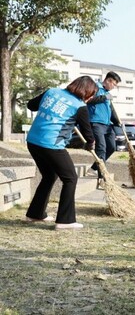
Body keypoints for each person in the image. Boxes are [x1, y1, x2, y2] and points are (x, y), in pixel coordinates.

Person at [25, 76, 97, 230]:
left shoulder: (52, 92)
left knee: (50, 176)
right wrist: (91, 144)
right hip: (51, 144)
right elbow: (87, 132)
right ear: (87, 93)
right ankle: (65, 220)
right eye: (91, 95)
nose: (90, 98)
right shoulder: (79, 106)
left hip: (33, 141)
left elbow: (31, 105)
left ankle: (35, 214)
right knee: (70, 178)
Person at [87, 71, 122, 188]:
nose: (114, 87)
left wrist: (117, 121)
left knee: (112, 147)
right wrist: (103, 97)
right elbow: (88, 100)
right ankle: (102, 178)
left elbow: (111, 110)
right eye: (114, 84)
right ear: (108, 81)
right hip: (96, 123)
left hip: (107, 125)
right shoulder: (95, 87)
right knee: (101, 148)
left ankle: (93, 167)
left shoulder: (107, 94)